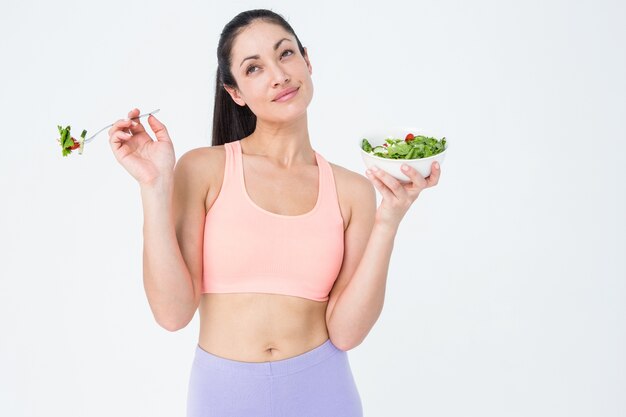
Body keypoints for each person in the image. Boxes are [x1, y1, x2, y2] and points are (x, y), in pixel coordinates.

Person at [107, 8, 441, 417]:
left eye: (285, 55)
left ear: (307, 61)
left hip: (325, 394)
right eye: (253, 68)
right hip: (223, 398)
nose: (279, 75)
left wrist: (389, 220)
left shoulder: (354, 191)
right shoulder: (202, 169)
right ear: (235, 93)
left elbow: (347, 332)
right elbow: (172, 314)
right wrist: (155, 187)